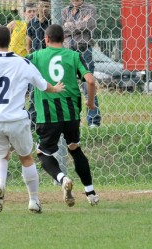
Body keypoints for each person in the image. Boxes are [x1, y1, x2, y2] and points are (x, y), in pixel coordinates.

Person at [0, 26, 65, 213]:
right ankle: (34, 201)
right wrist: (56, 88)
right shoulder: (23, 63)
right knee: (26, 158)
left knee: (1, 156)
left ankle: (0, 186)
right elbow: (44, 86)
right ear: (10, 41)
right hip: (16, 120)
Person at [26, 24, 99, 206]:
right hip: (71, 112)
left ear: (46, 39)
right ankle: (90, 193)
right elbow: (90, 80)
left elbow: (18, 68)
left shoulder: (36, 56)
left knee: (43, 152)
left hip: (47, 114)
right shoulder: (74, 56)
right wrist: (90, 103)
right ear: (64, 39)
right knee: (74, 147)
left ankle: (62, 178)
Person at [62, 0, 101, 128]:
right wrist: (80, 23)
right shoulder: (64, 11)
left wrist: (70, 25)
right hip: (68, 52)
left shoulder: (90, 8)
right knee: (68, 86)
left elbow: (88, 25)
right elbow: (62, 30)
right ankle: (71, 120)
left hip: (84, 50)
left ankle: (93, 121)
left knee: (87, 86)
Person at [26, 0, 51, 129]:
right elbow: (29, 43)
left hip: (49, 63)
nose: (45, 9)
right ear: (38, 7)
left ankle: (48, 120)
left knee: (50, 91)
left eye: (47, 6)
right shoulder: (32, 23)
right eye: (43, 6)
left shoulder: (53, 22)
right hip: (35, 62)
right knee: (33, 92)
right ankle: (32, 122)